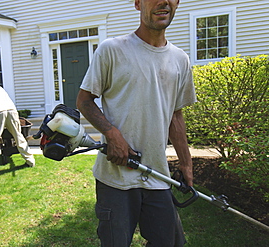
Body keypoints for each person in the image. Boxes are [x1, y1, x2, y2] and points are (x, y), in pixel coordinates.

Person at [76, 0, 196, 246]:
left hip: (158, 175)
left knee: (171, 243)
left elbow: (175, 115)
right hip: (115, 177)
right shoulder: (112, 50)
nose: (163, 2)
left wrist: (186, 163)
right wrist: (112, 133)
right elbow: (84, 101)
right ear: (138, 3)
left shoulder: (180, 60)